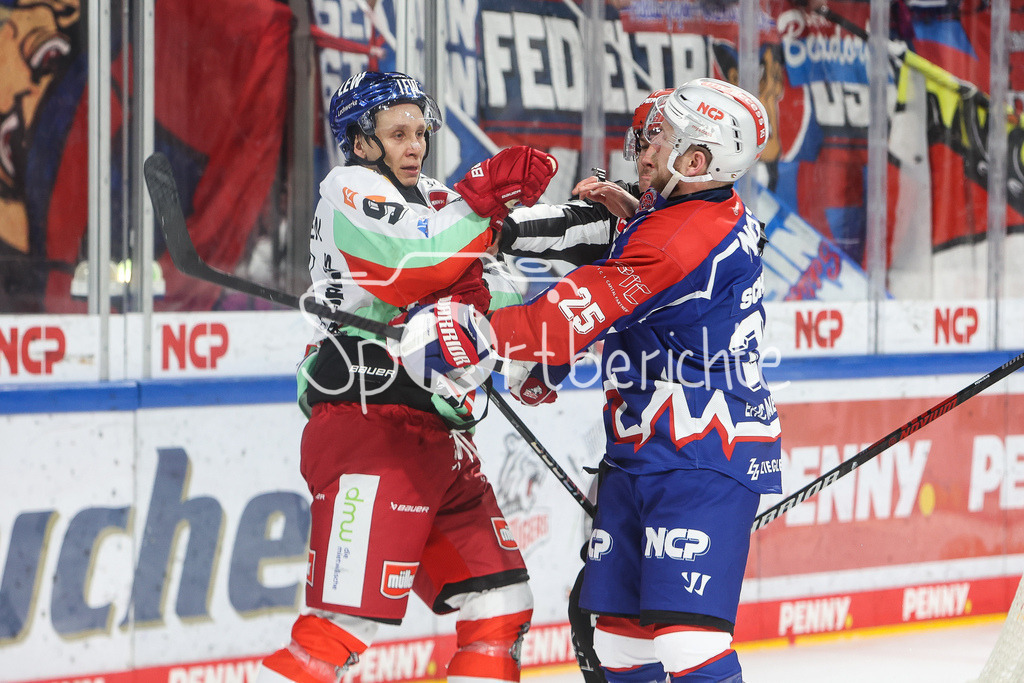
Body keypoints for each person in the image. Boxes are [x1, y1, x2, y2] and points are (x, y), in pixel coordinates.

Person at [407, 78, 782, 682]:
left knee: (688, 642)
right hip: (644, 451)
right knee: (618, 644)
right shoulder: (681, 211)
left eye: (661, 136)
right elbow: (619, 274)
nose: (644, 146)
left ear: (697, 160)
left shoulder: (677, 239)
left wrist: (474, 334)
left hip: (702, 454)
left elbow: (571, 312)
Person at [257, 70, 557, 683]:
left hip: (439, 437)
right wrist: (484, 197)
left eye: (420, 131)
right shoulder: (348, 189)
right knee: (340, 628)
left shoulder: (442, 204)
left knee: (499, 606)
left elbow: (493, 295)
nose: (415, 144)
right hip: (371, 425)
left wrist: (527, 358)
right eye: (398, 133)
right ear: (362, 142)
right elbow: (409, 265)